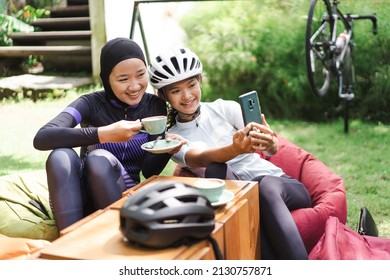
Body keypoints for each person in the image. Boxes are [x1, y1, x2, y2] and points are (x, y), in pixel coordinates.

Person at [148, 47, 312, 260]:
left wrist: (270, 142)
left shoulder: (225, 108)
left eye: (191, 85)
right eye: (176, 91)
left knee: (263, 186)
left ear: (199, 81)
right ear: (164, 95)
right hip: (239, 198)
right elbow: (201, 158)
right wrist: (234, 149)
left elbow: (271, 149)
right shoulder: (173, 138)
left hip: (280, 187)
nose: (187, 95)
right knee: (217, 170)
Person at [33, 37, 184, 231]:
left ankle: (113, 234)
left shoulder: (154, 106)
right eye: (123, 79)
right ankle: (69, 239)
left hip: (122, 194)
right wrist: (102, 134)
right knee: (60, 156)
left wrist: (167, 149)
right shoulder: (90, 103)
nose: (135, 86)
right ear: (106, 79)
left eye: (140, 75)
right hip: (76, 200)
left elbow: (149, 171)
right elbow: (43, 137)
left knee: (99, 159)